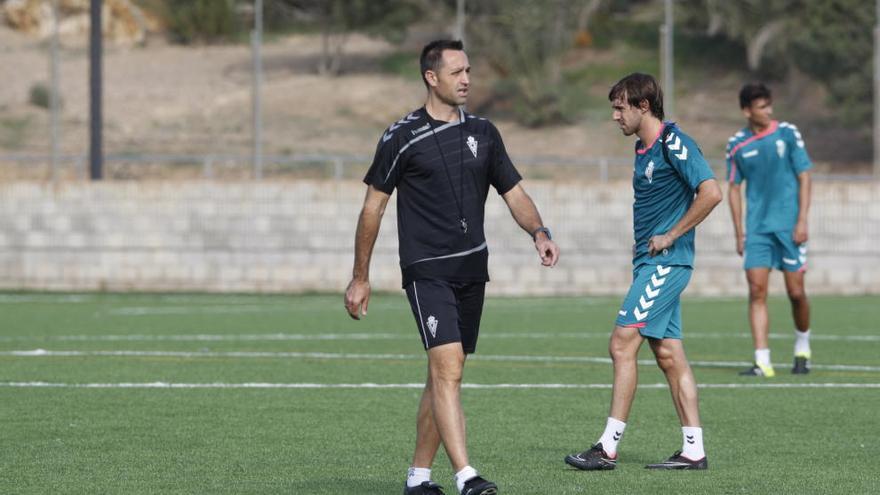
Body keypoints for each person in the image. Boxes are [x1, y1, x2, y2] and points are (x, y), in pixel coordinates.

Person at [344, 39, 559, 495]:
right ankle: (466, 475)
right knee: (449, 370)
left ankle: (419, 478)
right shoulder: (400, 136)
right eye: (457, 71)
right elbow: (372, 209)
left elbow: (513, 192)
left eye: (469, 71)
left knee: (442, 374)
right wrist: (361, 276)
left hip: (472, 270)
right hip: (427, 270)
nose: (467, 79)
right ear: (431, 77)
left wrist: (539, 232)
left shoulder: (484, 132)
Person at [564, 73, 721, 471]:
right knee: (668, 354)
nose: (615, 116)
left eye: (620, 107)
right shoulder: (643, 148)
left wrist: (670, 235)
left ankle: (607, 447)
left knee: (621, 343)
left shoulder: (675, 143)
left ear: (643, 106)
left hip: (666, 264)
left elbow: (711, 192)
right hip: (649, 264)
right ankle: (693, 449)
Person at [726, 82, 813, 377]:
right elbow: (733, 188)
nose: (768, 111)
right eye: (762, 107)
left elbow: (805, 176)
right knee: (756, 290)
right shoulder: (736, 144)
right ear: (746, 111)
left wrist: (802, 220)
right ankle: (762, 360)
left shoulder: (788, 133)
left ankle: (803, 346)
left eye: (769, 105)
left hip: (789, 228)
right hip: (757, 231)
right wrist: (739, 232)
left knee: (796, 292)